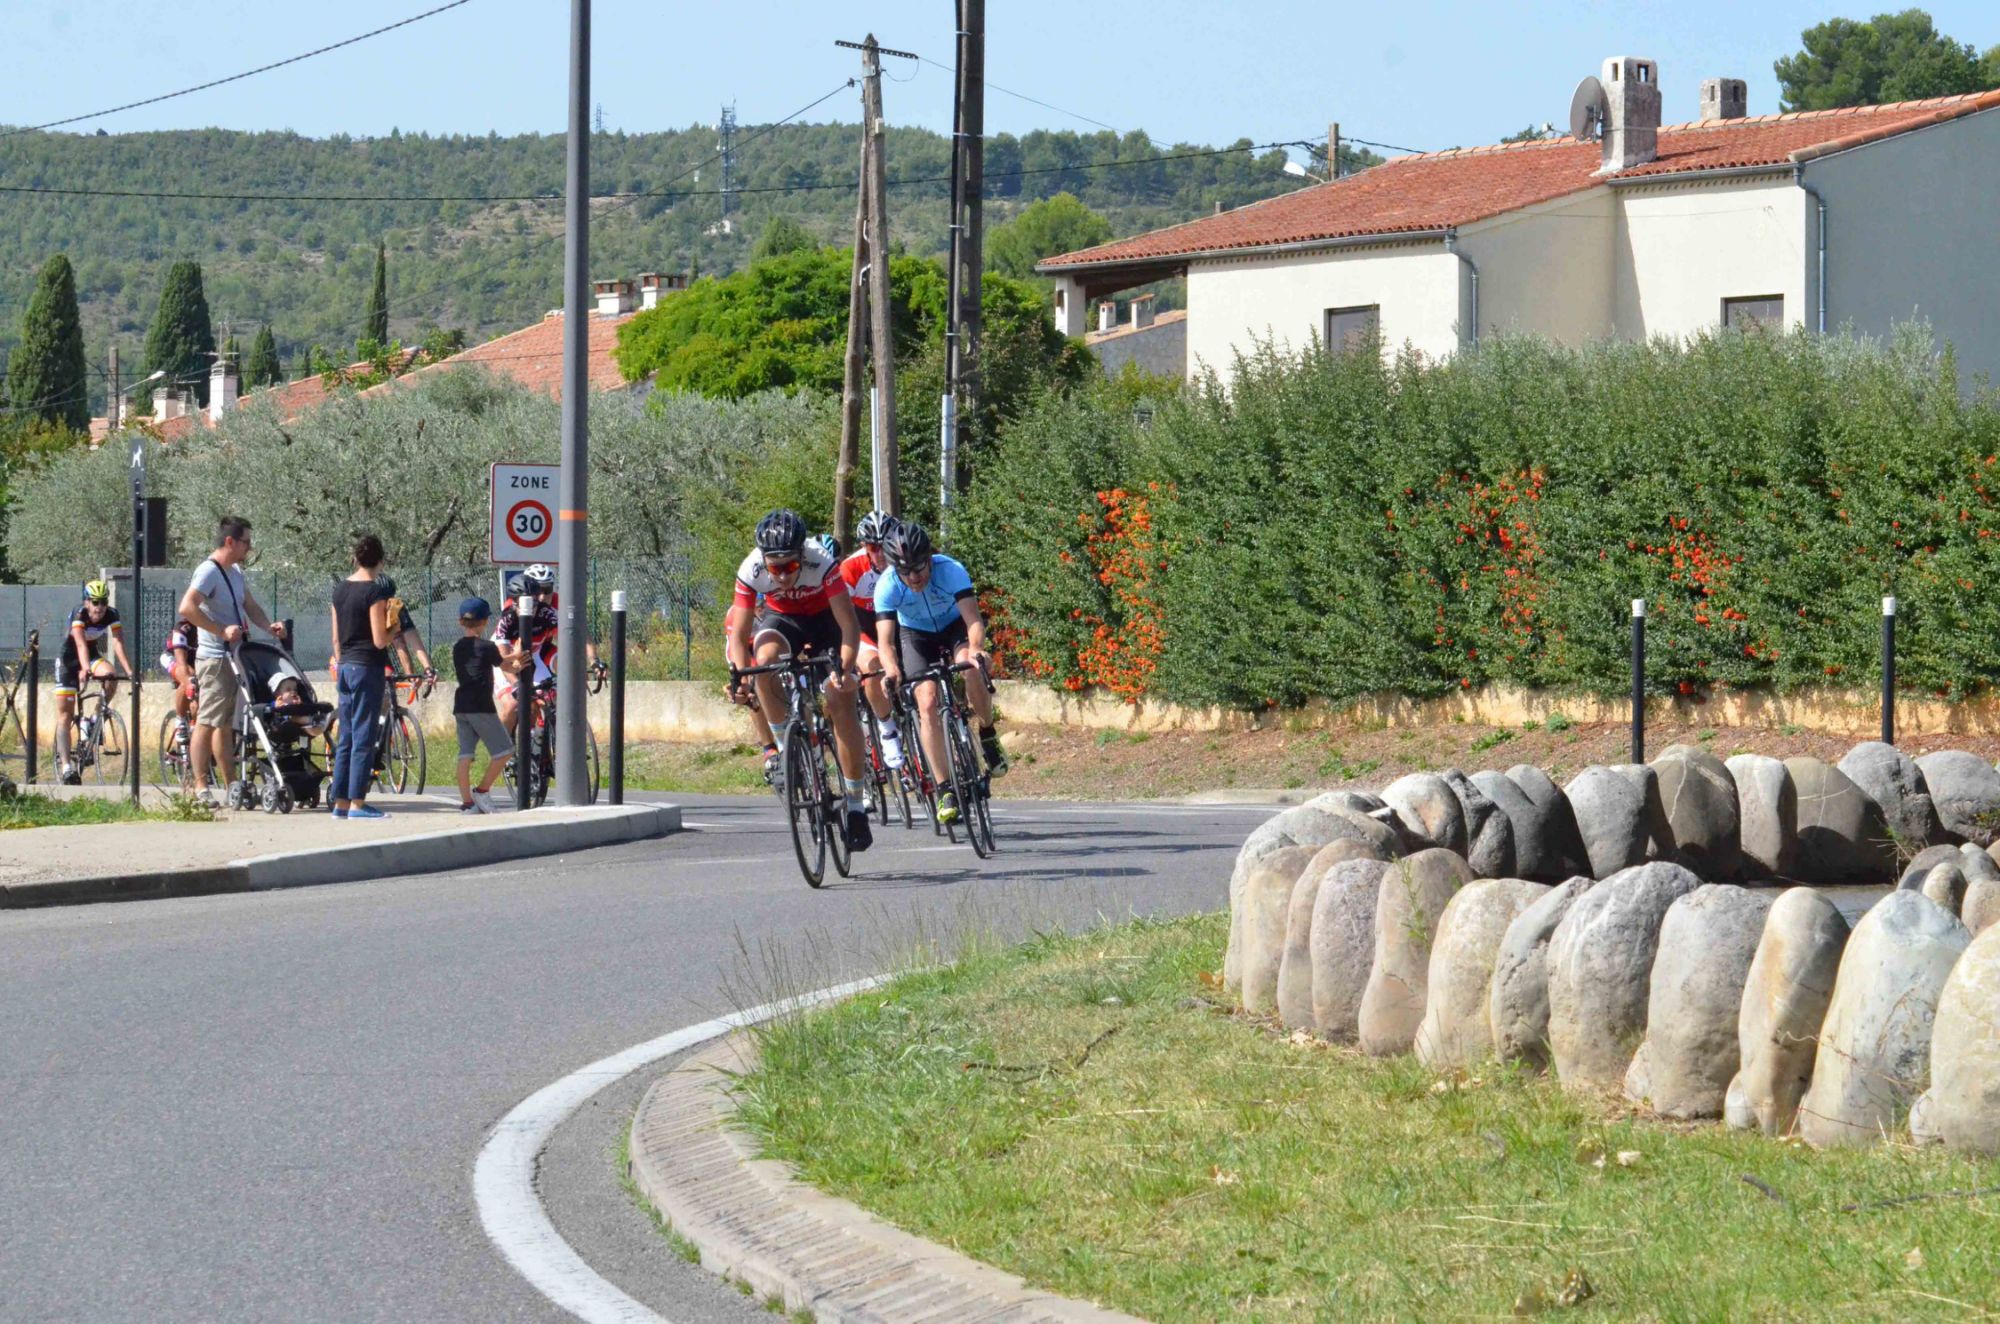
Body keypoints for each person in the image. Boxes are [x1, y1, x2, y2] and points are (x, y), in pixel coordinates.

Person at [726, 509, 873, 851]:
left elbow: (849, 626)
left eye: (790, 566)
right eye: (774, 567)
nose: (781, 575)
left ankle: (855, 806)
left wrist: (844, 669)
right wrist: (739, 678)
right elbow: (739, 636)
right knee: (763, 662)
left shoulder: (821, 561)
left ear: (802, 556)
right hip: (783, 620)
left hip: (827, 622)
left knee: (840, 699)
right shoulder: (751, 568)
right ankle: (786, 749)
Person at [874, 520, 1007, 826]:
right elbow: (885, 641)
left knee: (971, 668)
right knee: (927, 701)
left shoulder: (951, 570)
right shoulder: (886, 585)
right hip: (915, 635)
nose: (913, 577)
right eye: (905, 571)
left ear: (930, 558)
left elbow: (973, 620)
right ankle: (944, 788)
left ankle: (987, 732)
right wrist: (892, 670)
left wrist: (977, 649)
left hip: (953, 628)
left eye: (919, 568)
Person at [178, 516, 288, 803]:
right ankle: (200, 786)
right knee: (207, 721)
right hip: (215, 659)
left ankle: (231, 787)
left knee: (224, 724)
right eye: (245, 542)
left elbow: (249, 605)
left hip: (234, 657)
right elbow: (187, 608)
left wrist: (269, 627)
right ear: (230, 541)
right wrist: (220, 631)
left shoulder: (235, 571)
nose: (249, 548)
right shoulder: (208, 571)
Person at [327, 534, 395, 820]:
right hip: (367, 667)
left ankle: (340, 802)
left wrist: (342, 661)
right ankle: (357, 802)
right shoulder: (374, 592)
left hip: (344, 666)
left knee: (346, 735)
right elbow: (380, 640)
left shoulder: (339, 590)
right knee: (364, 735)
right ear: (380, 561)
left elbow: (335, 639)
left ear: (355, 558)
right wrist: (395, 627)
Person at [492, 562, 601, 736]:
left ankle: (542, 736)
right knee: (513, 704)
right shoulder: (510, 611)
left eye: (547, 590)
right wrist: (517, 684)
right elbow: (503, 661)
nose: (541, 597)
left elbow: (576, 636)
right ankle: (503, 746)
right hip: (510, 653)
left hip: (538, 648)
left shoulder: (553, 608)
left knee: (548, 696)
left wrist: (587, 663)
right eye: (537, 591)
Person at [837, 510, 905, 770]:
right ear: (864, 547)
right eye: (873, 547)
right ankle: (887, 729)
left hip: (898, 626)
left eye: (885, 546)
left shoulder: (905, 560)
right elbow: (839, 615)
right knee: (873, 668)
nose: (880, 554)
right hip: (863, 629)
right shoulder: (851, 568)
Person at [54, 580, 135, 784]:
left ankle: (93, 720)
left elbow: (118, 642)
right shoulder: (79, 613)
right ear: (87, 602)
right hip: (68, 659)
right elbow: (80, 644)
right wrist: (84, 669)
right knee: (65, 714)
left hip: (90, 655)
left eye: (103, 602)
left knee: (111, 676)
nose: (100, 607)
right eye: (95, 602)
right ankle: (67, 767)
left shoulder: (112, 614)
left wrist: (129, 671)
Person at [452, 597, 517, 814]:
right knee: (505, 751)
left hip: (461, 707)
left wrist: (513, 656)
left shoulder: (457, 647)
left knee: (465, 755)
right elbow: (506, 665)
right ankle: (481, 790)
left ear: (461, 622)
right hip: (481, 707)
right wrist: (519, 658)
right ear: (484, 622)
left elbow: (489, 659)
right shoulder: (488, 646)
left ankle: (467, 803)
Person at [157, 616, 199, 731]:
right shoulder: (183, 627)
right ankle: (180, 721)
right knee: (189, 677)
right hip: (173, 657)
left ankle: (194, 725)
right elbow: (181, 663)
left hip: (194, 661)